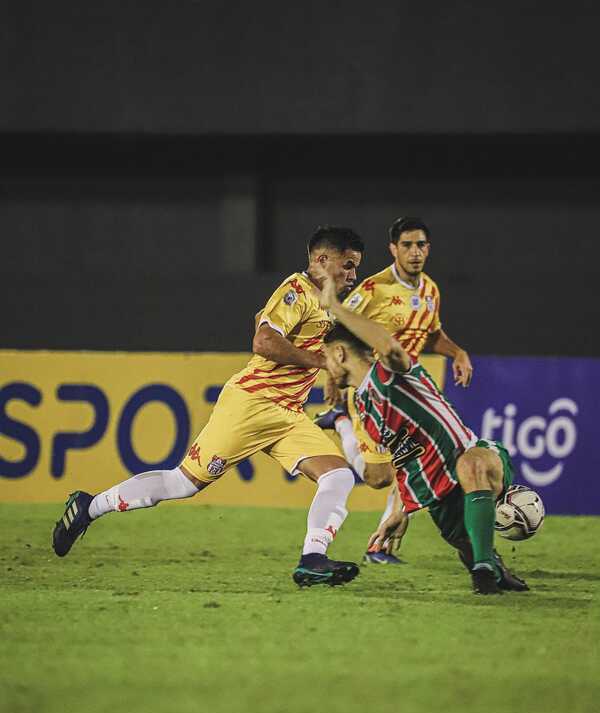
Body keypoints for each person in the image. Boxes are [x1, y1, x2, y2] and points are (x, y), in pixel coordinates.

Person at [52, 226, 366, 588]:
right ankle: (88, 507)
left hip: (287, 414)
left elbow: (260, 318)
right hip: (251, 405)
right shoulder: (297, 291)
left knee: (338, 475)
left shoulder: (320, 300)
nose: (353, 275)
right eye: (348, 265)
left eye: (355, 268)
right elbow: (263, 341)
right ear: (322, 260)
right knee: (181, 484)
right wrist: (320, 362)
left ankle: (313, 558)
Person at [318, 273, 529, 594]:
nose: (326, 368)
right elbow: (406, 460)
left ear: (339, 354)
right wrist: (400, 511)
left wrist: (334, 305)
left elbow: (387, 345)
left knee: (472, 465)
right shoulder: (364, 407)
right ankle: (490, 565)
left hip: (476, 462)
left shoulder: (391, 371)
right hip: (438, 495)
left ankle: (485, 565)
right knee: (467, 548)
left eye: (325, 356)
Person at [316, 217, 473, 564]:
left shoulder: (430, 290)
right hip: (374, 392)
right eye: (406, 245)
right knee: (379, 476)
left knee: (410, 459)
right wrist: (332, 377)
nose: (414, 252)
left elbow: (432, 334)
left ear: (428, 249)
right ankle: (342, 420)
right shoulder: (373, 289)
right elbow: (338, 329)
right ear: (393, 249)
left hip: (410, 392)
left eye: (420, 245)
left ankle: (379, 546)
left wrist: (457, 351)